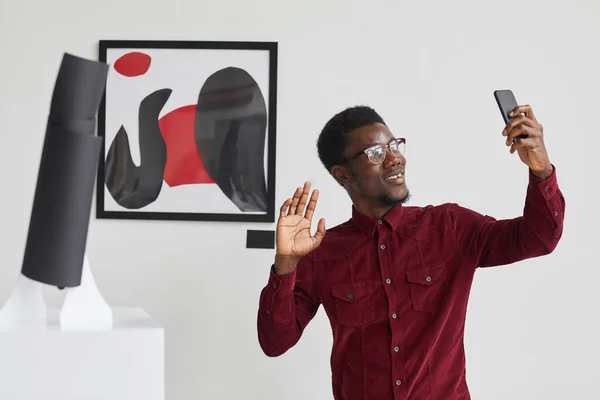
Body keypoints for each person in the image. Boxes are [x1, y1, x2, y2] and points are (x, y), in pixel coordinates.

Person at [256, 105, 565, 399]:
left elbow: (539, 238)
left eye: (395, 145)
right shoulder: (321, 253)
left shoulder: (450, 228)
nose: (394, 159)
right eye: (376, 152)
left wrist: (540, 169)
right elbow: (275, 341)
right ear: (342, 174)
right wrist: (286, 262)